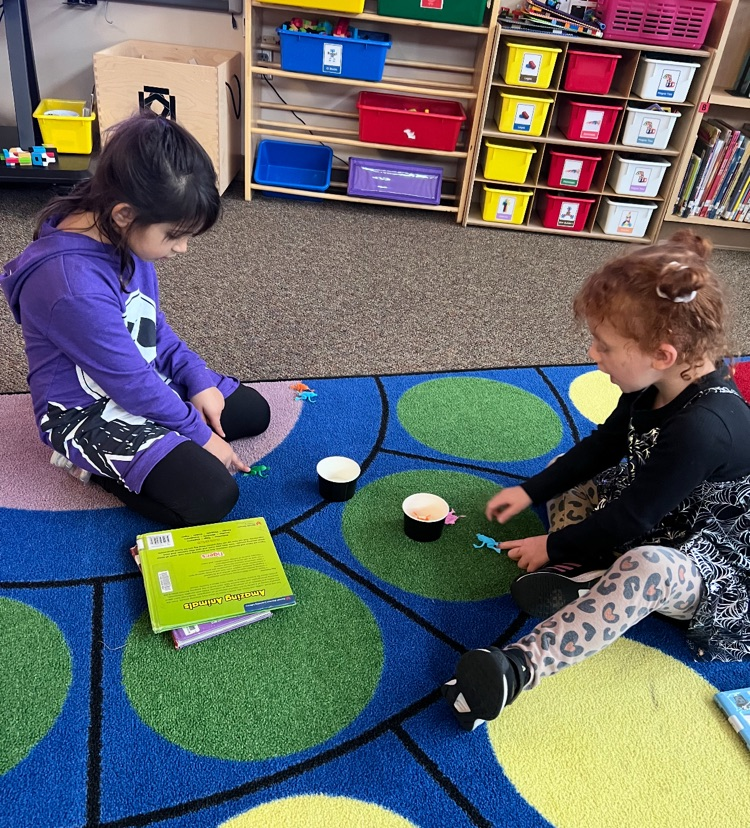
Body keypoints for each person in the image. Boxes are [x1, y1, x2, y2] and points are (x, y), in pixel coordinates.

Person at [442, 230, 750, 731]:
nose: (593, 354)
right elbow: (602, 448)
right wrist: (530, 491)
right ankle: (582, 574)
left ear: (663, 354)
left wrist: (551, 543)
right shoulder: (653, 384)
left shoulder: (704, 428)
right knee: (566, 467)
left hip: (715, 562)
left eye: (605, 347)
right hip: (663, 509)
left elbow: (630, 519)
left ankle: (518, 669)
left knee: (646, 566)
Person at [1, 112, 270, 528]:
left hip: (137, 377)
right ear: (125, 213)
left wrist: (196, 378)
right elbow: (129, 383)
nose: (182, 249)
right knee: (213, 496)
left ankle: (169, 437)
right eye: (175, 235)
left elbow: (151, 326)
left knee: (252, 412)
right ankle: (93, 467)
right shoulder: (70, 285)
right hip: (84, 411)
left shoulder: (118, 231)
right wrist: (200, 437)